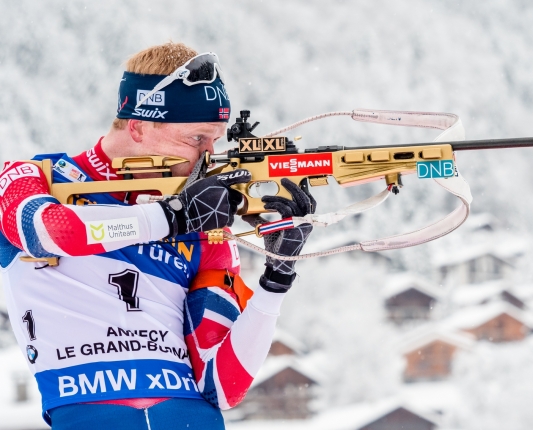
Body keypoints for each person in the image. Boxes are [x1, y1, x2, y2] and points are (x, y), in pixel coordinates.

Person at [0, 42, 315, 429]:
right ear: (138, 125)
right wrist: (170, 216)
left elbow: (222, 386)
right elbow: (48, 230)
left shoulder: (205, 223)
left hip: (189, 416)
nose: (207, 156)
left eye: (215, 139)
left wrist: (276, 280)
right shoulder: (39, 177)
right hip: (87, 411)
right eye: (195, 138)